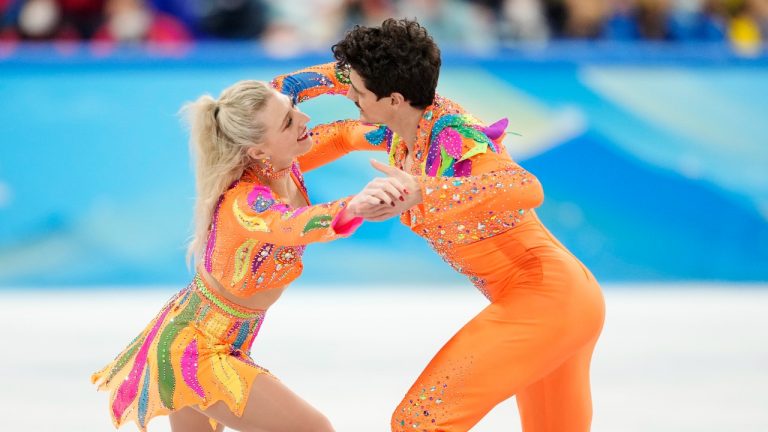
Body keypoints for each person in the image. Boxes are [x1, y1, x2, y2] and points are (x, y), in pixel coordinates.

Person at [271, 18, 606, 432]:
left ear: (393, 98)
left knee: (420, 421)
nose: (348, 94)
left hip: (550, 299)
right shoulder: (399, 122)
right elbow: (338, 129)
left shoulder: (456, 138)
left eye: (357, 92)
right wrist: (273, 110)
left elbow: (525, 186)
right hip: (561, 300)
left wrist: (425, 192)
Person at [91, 79, 403, 431]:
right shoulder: (245, 202)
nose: (304, 117)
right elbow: (289, 223)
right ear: (257, 150)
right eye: (288, 120)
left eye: (292, 107)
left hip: (205, 340)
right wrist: (354, 205)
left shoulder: (287, 162)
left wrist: (406, 130)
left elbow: (346, 135)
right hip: (196, 350)